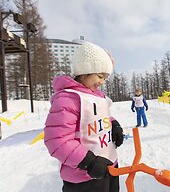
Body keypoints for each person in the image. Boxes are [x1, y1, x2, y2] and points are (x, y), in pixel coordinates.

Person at [44, 41, 124, 192]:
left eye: (105, 78)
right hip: (84, 177)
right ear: (85, 71)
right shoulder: (68, 99)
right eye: (100, 76)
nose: (102, 82)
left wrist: (114, 124)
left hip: (109, 167)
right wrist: (89, 162)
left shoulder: (99, 96)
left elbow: (103, 116)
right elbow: (56, 140)